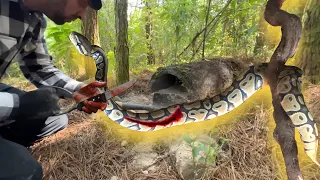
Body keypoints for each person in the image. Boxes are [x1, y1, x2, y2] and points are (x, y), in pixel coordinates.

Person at [0, 0, 106, 179]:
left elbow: (41, 69)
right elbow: (21, 104)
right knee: (25, 172)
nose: (82, 15)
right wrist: (19, 105)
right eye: (81, 2)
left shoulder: (35, 20)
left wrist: (79, 90)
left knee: (55, 118)